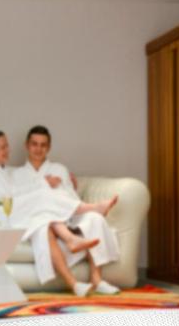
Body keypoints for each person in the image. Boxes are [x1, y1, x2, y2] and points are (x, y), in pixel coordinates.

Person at [0, 129, 108, 296]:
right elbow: (11, 195)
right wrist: (44, 183)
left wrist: (70, 187)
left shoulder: (55, 169)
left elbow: (69, 194)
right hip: (11, 216)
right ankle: (90, 209)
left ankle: (78, 254)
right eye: (3, 147)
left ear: (49, 147)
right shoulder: (0, 170)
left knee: (50, 214)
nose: (8, 150)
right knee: (43, 206)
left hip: (52, 217)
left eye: (7, 146)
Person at [12, 125, 121, 295]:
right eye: (34, 144)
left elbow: (70, 198)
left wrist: (65, 188)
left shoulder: (59, 169)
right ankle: (94, 209)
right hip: (38, 220)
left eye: (43, 145)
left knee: (95, 219)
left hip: (66, 218)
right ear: (27, 145)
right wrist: (43, 186)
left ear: (49, 147)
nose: (38, 149)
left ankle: (97, 279)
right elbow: (20, 204)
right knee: (42, 198)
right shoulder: (16, 175)